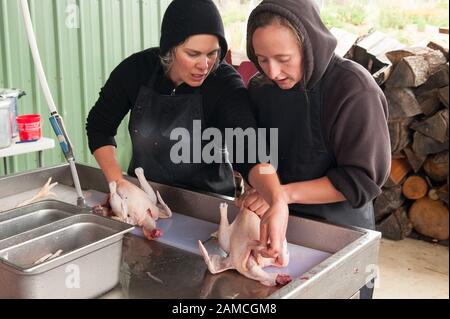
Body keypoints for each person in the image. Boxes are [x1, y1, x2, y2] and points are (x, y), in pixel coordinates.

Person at [86, 0, 288, 241]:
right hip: (144, 205)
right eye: (193, 54)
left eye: (213, 54)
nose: (204, 65)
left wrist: (277, 199)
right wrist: (117, 182)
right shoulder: (136, 70)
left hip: (207, 212)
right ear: (170, 49)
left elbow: (249, 148)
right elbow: (99, 125)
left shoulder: (224, 83)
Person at [243, 0, 391, 298]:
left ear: (309, 45)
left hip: (338, 233)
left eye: (284, 58)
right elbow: (252, 151)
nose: (272, 71)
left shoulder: (352, 89)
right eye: (262, 59)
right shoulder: (261, 88)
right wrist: (257, 187)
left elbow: (360, 180)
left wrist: (282, 195)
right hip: (275, 229)